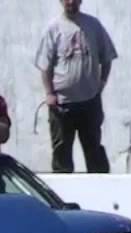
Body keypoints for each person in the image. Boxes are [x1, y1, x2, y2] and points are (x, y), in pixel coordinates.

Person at [35, 0, 117, 173]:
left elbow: (107, 57)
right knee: (61, 151)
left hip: (90, 100)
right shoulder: (53, 28)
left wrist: (101, 84)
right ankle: (62, 193)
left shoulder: (93, 25)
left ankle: (102, 189)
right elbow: (45, 66)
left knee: (94, 148)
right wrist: (49, 93)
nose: (70, 2)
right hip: (62, 103)